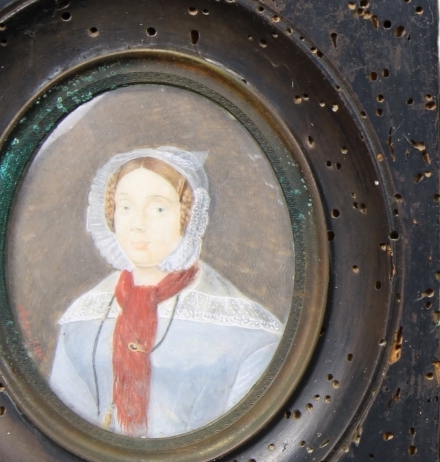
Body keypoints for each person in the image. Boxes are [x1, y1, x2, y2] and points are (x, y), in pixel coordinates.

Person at [48, 146, 284, 438]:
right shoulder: (83, 319)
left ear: (187, 215)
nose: (138, 225)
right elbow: (65, 427)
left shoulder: (248, 332)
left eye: (158, 209)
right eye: (126, 207)